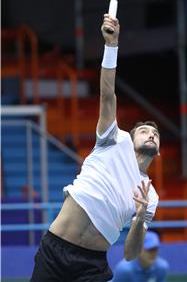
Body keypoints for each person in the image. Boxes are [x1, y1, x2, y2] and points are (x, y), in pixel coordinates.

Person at [30, 14, 160, 282]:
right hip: (56, 250)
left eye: (156, 134)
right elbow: (107, 94)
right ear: (130, 136)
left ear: (158, 151)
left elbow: (132, 253)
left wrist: (138, 217)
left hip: (92, 266)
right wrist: (111, 45)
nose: (151, 135)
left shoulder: (151, 197)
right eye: (145, 131)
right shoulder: (115, 141)